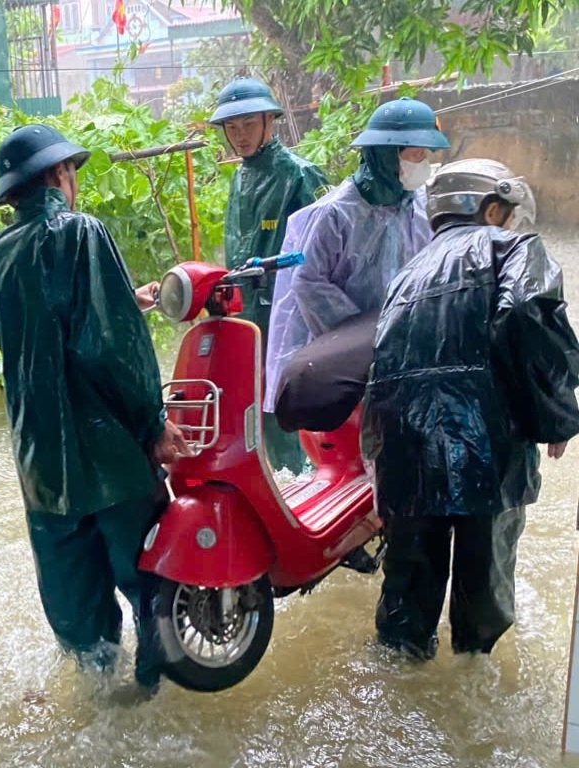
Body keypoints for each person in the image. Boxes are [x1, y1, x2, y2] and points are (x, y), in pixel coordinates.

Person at [0, 124, 190, 692]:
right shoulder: (82, 232)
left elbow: (41, 335)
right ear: (58, 175)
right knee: (152, 581)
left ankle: (101, 695)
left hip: (40, 461)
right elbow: (111, 347)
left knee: (77, 603)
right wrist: (152, 423)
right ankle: (155, 694)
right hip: (109, 454)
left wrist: (126, 298)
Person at [361, 159, 579, 659]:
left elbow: (380, 366)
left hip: (405, 451)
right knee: (482, 599)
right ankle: (473, 689)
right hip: (487, 444)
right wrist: (555, 415)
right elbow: (528, 316)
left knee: (405, 606)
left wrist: (377, 454)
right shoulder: (515, 247)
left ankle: (401, 689)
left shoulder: (406, 275)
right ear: (493, 208)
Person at [264, 97, 450, 415]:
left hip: (410, 355)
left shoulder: (421, 207)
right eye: (416, 153)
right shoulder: (335, 215)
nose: (423, 162)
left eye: (426, 154)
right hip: (348, 362)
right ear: (386, 154)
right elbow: (309, 283)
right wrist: (366, 338)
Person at [209, 77, 329, 473]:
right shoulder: (239, 177)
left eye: (247, 124)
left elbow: (323, 252)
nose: (239, 136)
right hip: (245, 313)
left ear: (268, 121)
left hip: (289, 313)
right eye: (232, 127)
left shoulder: (300, 175)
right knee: (250, 407)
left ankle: (304, 482)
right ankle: (273, 486)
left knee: (288, 405)